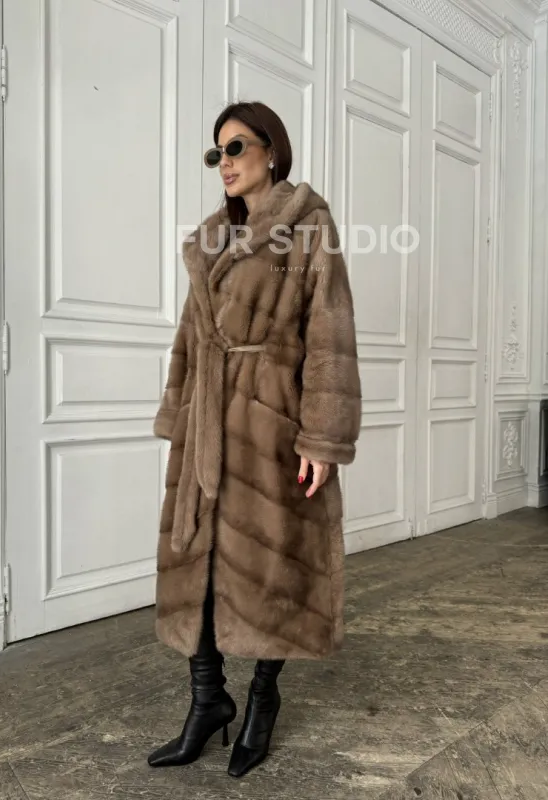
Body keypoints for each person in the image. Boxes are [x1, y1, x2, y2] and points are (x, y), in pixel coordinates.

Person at [147, 101, 362, 778]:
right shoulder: (211, 238)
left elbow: (329, 332)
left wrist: (321, 438)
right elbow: (191, 336)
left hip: (272, 421)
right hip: (206, 422)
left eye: (237, 147)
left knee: (275, 563)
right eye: (217, 153)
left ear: (272, 149)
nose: (225, 162)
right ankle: (207, 701)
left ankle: (264, 698)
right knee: (198, 561)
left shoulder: (308, 225)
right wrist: (178, 413)